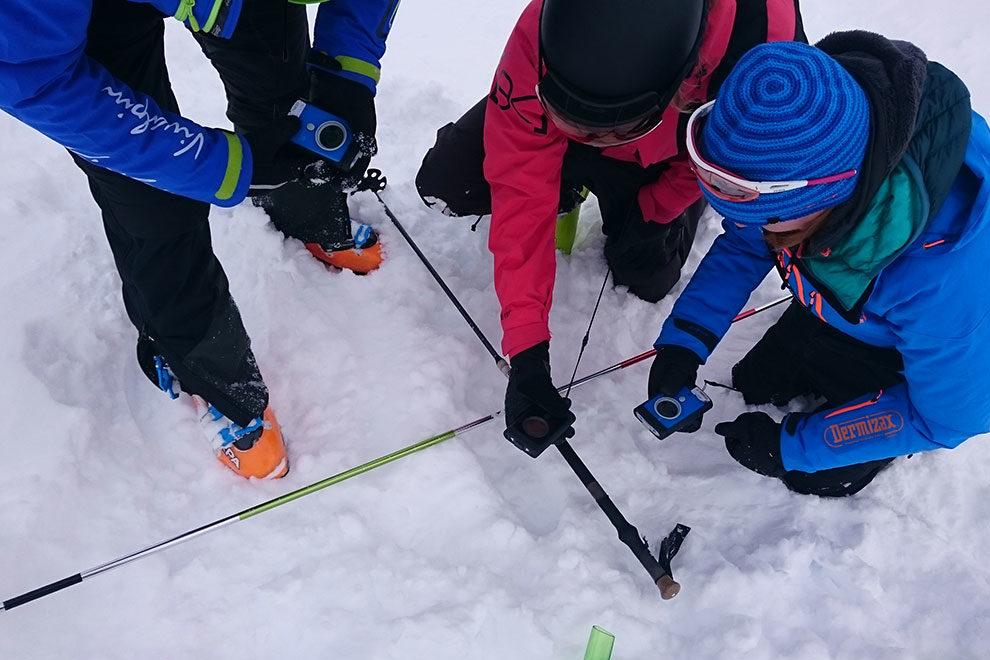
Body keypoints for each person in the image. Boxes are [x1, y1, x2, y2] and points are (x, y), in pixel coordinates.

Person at [0, 0, 398, 479]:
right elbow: (41, 79)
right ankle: (205, 363)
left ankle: (302, 203)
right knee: (150, 196)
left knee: (286, 96)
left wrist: (347, 70)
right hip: (67, 23)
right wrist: (229, 167)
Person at [415, 0, 806, 447]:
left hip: (666, 157)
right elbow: (522, 190)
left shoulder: (763, 54)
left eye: (606, 132)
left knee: (644, 272)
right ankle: (569, 176)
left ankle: (653, 192)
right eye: (571, 123)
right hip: (569, 122)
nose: (590, 140)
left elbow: (718, 156)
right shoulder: (545, 35)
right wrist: (526, 353)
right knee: (447, 183)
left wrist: (658, 205)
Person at [648, 36, 989, 496]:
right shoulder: (803, 138)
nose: (750, 225)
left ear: (827, 196)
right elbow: (750, 242)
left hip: (934, 353)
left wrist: (792, 448)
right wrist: (684, 342)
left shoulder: (945, 275)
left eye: (763, 214)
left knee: (816, 474)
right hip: (845, 297)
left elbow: (949, 419)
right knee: (756, 382)